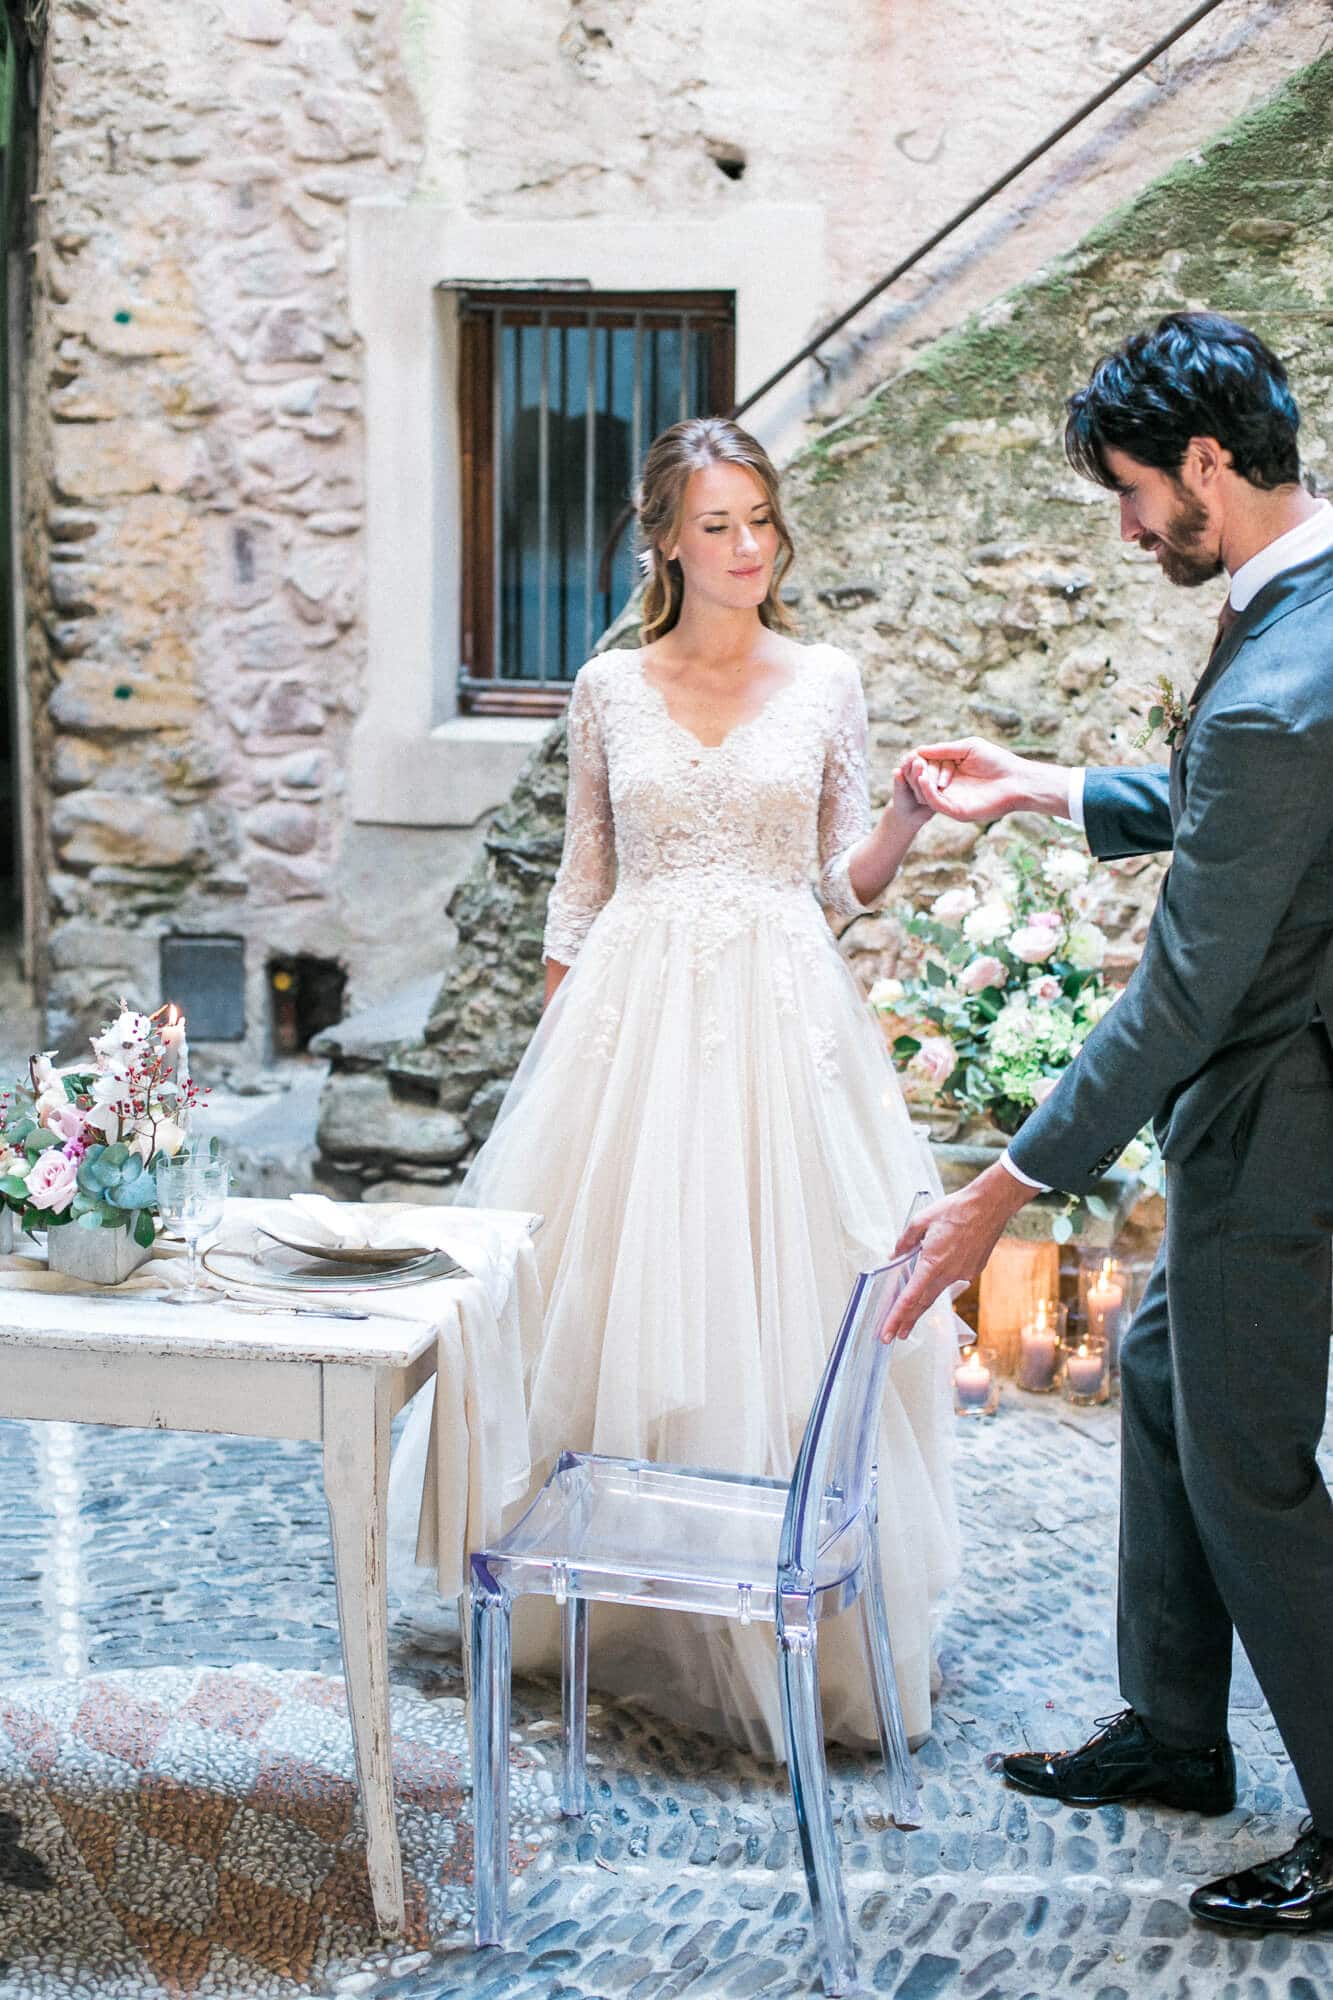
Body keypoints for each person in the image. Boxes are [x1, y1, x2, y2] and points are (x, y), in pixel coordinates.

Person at [887, 312, 1333, 1933]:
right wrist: (1045, 786)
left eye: (1137, 492)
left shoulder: (1291, 673)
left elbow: (1179, 1000)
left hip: (1281, 1110)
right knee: (1158, 1370)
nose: (1131, 525)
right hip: (1276, 1082)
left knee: (1250, 1466)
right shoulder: (1298, 609)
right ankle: (1171, 1730)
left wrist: (995, 1195)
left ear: (1207, 461)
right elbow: (1238, 801)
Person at [444, 415, 960, 1756]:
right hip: (634, 1010)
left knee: (787, 1298)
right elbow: (582, 880)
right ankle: (609, 1598)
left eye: (761, 522)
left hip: (782, 1017)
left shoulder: (826, 678)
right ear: (664, 538)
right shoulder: (610, 686)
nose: (745, 548)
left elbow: (838, 884)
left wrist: (903, 818)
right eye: (716, 525)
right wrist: (561, 1061)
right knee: (615, 1299)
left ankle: (794, 1587)